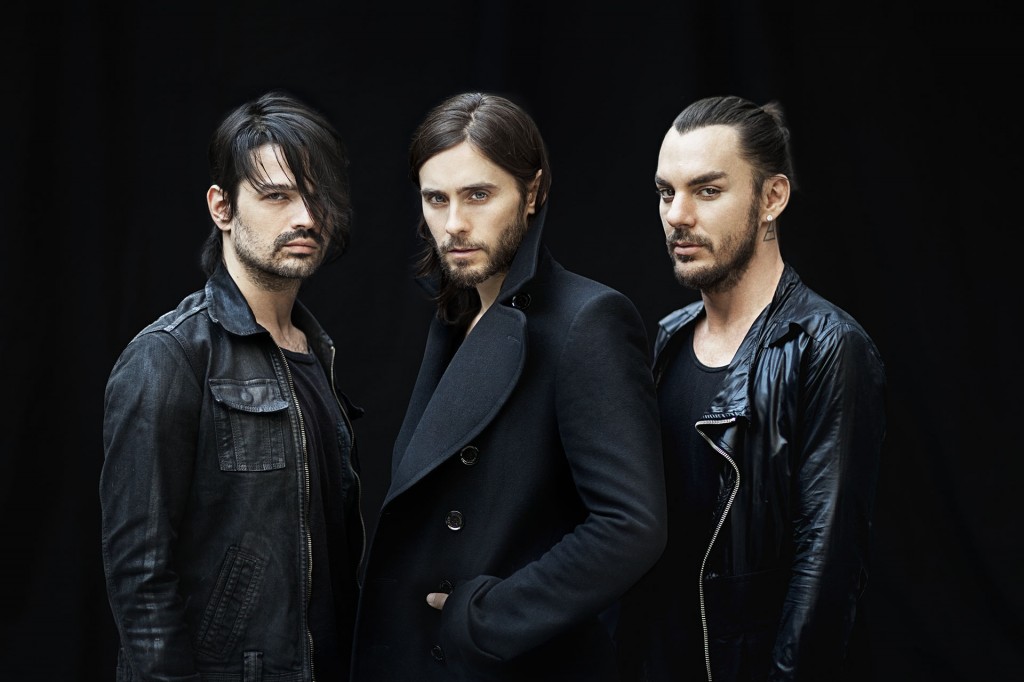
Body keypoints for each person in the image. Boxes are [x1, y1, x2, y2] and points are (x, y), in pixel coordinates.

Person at [350, 91, 667, 681]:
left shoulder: (587, 320)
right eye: (436, 199)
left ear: (533, 192)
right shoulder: (456, 319)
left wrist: (486, 619)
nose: (454, 224)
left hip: (512, 665)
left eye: (478, 195)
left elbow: (631, 525)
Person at [614, 94, 887, 682]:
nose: (677, 215)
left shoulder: (827, 346)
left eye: (707, 190)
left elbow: (826, 568)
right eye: (666, 192)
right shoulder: (666, 339)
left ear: (772, 198)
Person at [99, 90, 364, 681]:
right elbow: (139, 575)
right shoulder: (169, 356)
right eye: (277, 196)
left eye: (318, 197)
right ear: (222, 207)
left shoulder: (316, 352)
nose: (306, 217)